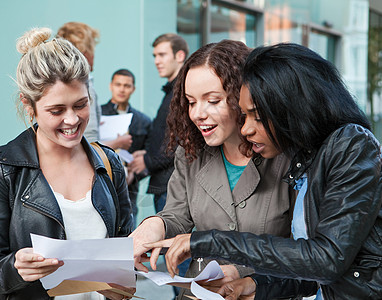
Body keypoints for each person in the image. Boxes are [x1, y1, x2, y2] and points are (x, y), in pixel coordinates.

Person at [146, 43, 382, 299]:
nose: (247, 129)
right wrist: (253, 285)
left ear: (292, 108)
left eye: (257, 116)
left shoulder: (351, 145)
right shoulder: (307, 157)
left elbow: (326, 260)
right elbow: (308, 266)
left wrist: (209, 241)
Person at [130, 40, 304, 300]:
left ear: (244, 97)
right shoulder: (190, 152)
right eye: (190, 102)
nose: (198, 113)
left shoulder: (284, 156)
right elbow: (178, 215)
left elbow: (305, 251)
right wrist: (154, 226)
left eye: (213, 101)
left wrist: (245, 272)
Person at [0, 27, 134, 300]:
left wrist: (123, 284)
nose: (72, 120)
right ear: (28, 105)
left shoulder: (109, 163)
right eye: (56, 111)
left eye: (80, 105)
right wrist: (15, 268)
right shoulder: (3, 168)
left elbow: (126, 252)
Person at [129, 33, 188, 214]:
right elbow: (166, 135)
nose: (156, 61)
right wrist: (147, 154)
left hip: (172, 186)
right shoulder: (172, 90)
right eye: (155, 56)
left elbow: (180, 140)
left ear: (179, 56)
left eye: (162, 55)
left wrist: (147, 160)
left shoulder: (183, 90)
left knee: (169, 242)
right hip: (166, 184)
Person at [101, 69, 151, 223]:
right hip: (101, 181)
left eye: (127, 86)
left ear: (133, 89)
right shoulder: (96, 114)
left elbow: (149, 157)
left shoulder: (143, 121)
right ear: (111, 86)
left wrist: (134, 175)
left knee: (129, 230)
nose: (122, 89)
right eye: (118, 84)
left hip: (130, 189)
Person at [57, 21, 101, 142]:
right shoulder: (83, 86)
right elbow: (90, 141)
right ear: (85, 52)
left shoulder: (55, 83)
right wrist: (119, 142)